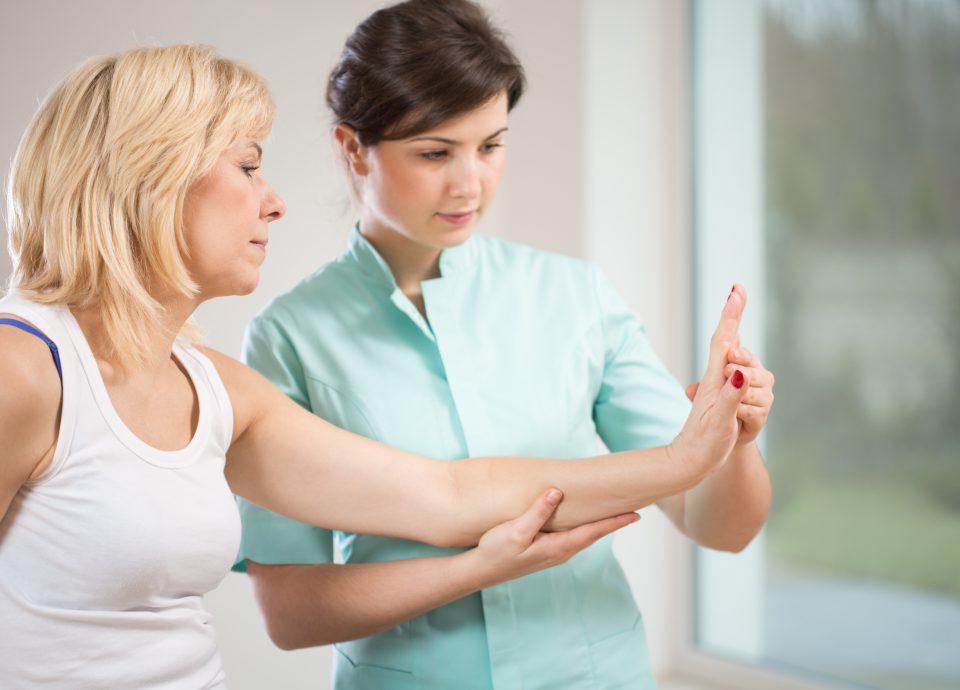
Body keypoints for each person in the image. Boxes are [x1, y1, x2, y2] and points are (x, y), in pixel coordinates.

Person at [0, 43, 755, 688]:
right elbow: (296, 606)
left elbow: (453, 492)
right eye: (248, 166)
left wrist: (690, 454)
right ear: (150, 176)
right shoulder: (22, 368)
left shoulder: (209, 385)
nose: (275, 203)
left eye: (490, 145)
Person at [234, 1, 775, 689]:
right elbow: (288, 613)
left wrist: (739, 437)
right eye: (435, 152)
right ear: (351, 148)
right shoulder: (292, 337)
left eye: (490, 145)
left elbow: (719, 526)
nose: (471, 183)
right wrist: (476, 568)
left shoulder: (574, 296)